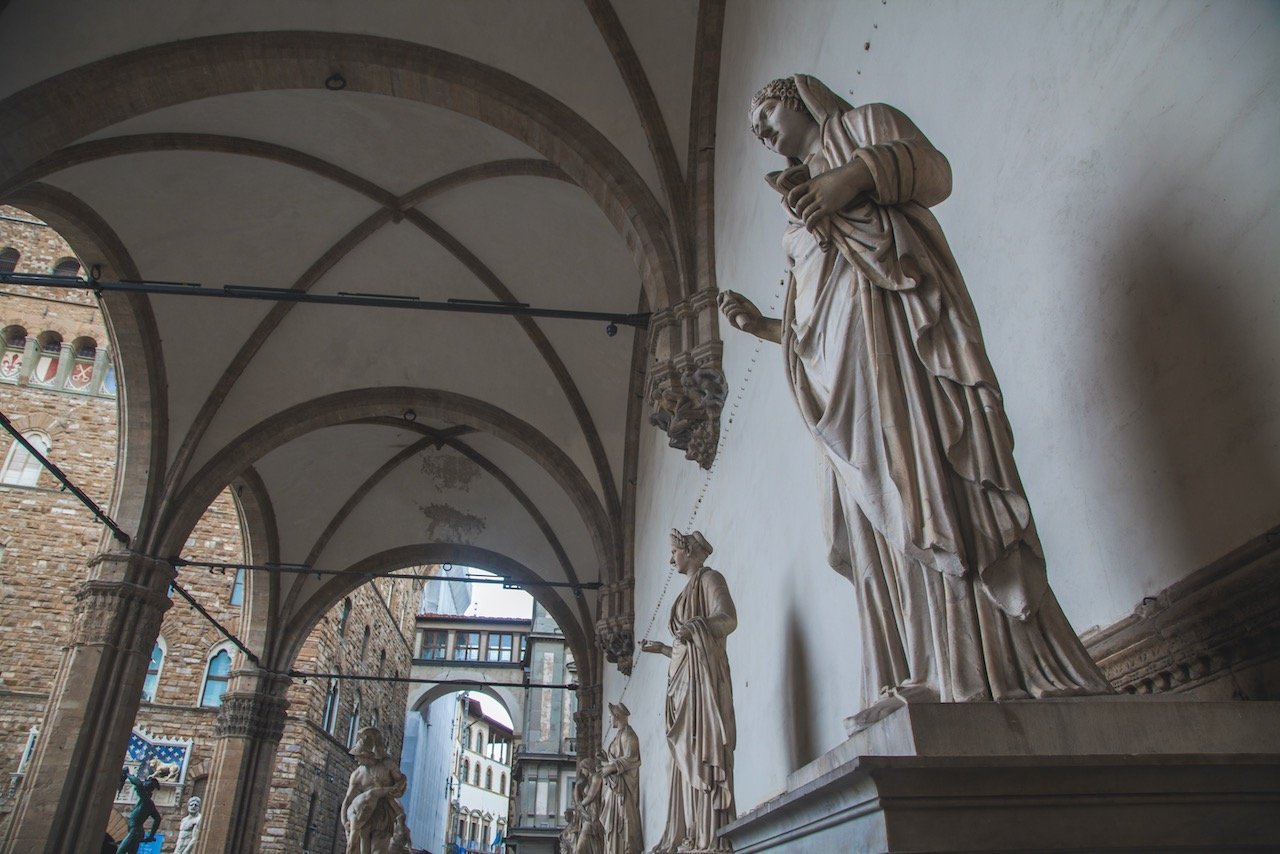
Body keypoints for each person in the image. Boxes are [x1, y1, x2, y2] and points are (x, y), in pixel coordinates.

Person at [719, 75, 1111, 727]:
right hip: (837, 385)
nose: (761, 133)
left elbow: (933, 172)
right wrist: (766, 327)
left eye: (764, 113)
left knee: (922, 481)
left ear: (798, 98)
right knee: (877, 518)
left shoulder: (864, 127)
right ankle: (915, 668)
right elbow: (811, 311)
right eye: (755, 129)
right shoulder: (795, 203)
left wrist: (850, 180)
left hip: (898, 347)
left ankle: (978, 667)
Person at [639, 530, 736, 853]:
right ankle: (691, 833)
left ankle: (709, 835)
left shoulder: (710, 579)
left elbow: (727, 618)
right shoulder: (683, 593)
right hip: (682, 686)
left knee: (701, 753)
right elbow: (683, 648)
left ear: (689, 552)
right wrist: (665, 649)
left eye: (674, 552)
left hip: (703, 683)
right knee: (680, 761)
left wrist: (697, 626)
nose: (671, 559)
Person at [342, 727, 410, 854]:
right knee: (363, 850)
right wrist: (345, 821)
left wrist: (397, 788)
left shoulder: (387, 765)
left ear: (367, 756)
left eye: (359, 756)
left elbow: (401, 780)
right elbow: (348, 799)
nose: (356, 759)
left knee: (378, 850)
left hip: (384, 812)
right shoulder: (357, 774)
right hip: (365, 813)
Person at [598, 702, 642, 854]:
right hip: (614, 789)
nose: (609, 720)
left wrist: (610, 767)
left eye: (610, 717)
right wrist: (605, 761)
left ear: (617, 717)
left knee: (623, 822)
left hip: (623, 790)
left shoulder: (629, 735)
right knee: (612, 825)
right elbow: (616, 760)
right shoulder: (619, 735)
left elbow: (632, 758)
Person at [115, 765, 166, 854]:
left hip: (135, 831)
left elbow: (138, 784)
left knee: (120, 852)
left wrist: (127, 774)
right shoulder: (149, 803)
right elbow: (157, 819)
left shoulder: (145, 799)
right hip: (136, 831)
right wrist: (151, 835)